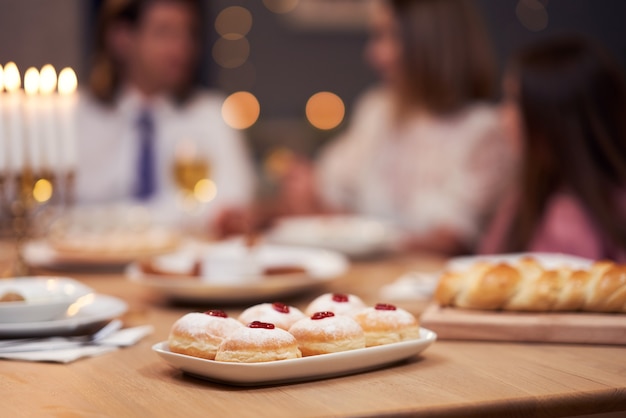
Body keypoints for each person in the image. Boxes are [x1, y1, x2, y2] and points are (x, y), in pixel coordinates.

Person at [279, 0, 513, 255]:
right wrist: (310, 198)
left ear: (432, 42)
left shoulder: (484, 131)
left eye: (389, 36)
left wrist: (345, 228)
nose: (373, 54)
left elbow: (451, 242)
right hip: (370, 282)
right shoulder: (378, 110)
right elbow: (333, 197)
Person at [75, 0, 255, 231]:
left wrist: (119, 217)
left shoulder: (210, 114)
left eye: (187, 34)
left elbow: (232, 203)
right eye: (164, 32)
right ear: (122, 38)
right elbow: (61, 209)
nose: (180, 48)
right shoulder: (81, 116)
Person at [480, 36, 626, 261]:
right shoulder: (523, 198)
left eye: (514, 102)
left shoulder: (571, 220)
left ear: (553, 121)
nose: (502, 117)